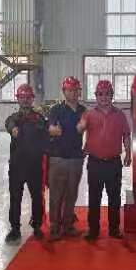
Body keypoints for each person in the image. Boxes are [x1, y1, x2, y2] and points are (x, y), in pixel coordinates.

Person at [77, 80, 132, 240]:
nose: (104, 97)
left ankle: (114, 229)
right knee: (94, 197)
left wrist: (128, 154)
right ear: (96, 96)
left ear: (112, 96)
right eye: (100, 94)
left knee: (114, 197)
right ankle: (93, 230)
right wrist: (81, 126)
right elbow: (79, 128)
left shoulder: (120, 115)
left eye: (107, 94)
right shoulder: (89, 114)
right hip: (95, 162)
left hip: (114, 163)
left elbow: (126, 136)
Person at [4, 84, 48, 242]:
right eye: (22, 97)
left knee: (37, 197)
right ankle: (15, 228)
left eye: (28, 97)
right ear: (18, 99)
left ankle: (37, 226)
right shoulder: (13, 119)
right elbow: (9, 124)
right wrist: (13, 129)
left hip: (34, 165)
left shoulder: (39, 119)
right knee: (15, 197)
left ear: (32, 99)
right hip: (17, 166)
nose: (25, 100)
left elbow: (46, 137)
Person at [47, 76, 87, 240]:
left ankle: (68, 225)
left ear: (79, 92)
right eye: (70, 90)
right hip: (58, 158)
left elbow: (92, 130)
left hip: (76, 158)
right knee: (56, 194)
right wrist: (52, 130)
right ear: (64, 92)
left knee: (72, 193)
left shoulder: (83, 111)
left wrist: (87, 147)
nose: (73, 93)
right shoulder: (56, 110)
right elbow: (49, 127)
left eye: (76, 90)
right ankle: (54, 227)